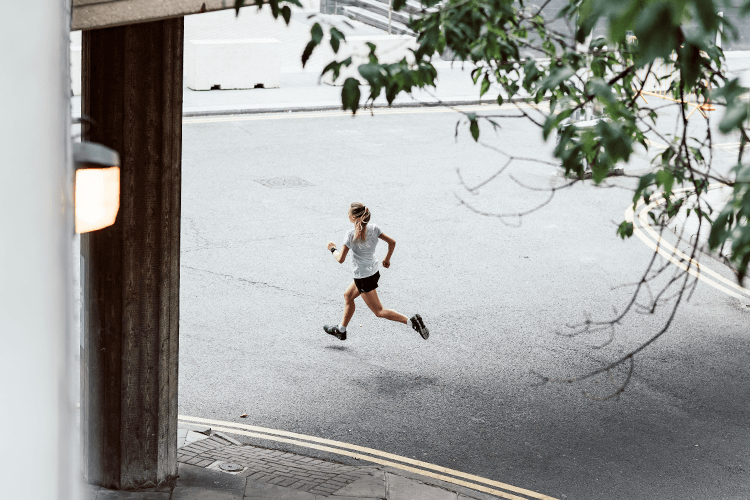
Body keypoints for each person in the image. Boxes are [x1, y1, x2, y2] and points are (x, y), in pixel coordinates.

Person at [325, 202, 429, 341]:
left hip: (363, 278)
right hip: (373, 272)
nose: (347, 214)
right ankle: (341, 330)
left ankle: (412, 321)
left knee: (379, 311)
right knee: (348, 296)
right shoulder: (374, 228)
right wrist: (387, 259)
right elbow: (392, 242)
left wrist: (333, 249)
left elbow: (340, 259)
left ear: (354, 217)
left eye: (349, 213)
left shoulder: (350, 235)